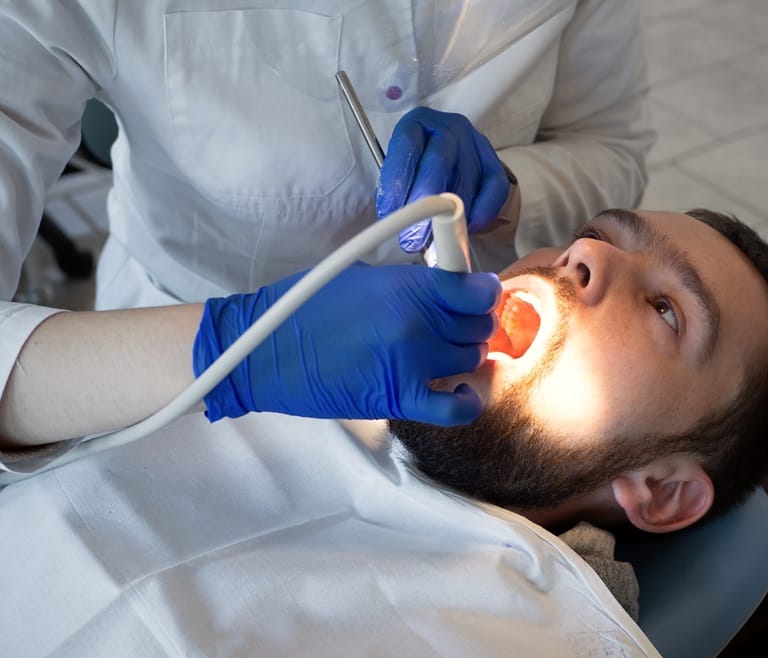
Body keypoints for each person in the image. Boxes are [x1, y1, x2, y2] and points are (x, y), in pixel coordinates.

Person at [0, 207, 768, 658]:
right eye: (596, 235)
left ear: (664, 490)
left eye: (667, 309)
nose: (586, 258)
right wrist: (225, 345)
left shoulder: (541, 649)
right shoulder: (283, 366)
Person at [0, 1, 653, 445]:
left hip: (457, 390)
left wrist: (508, 191)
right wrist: (241, 354)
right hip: (163, 366)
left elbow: (611, 147)